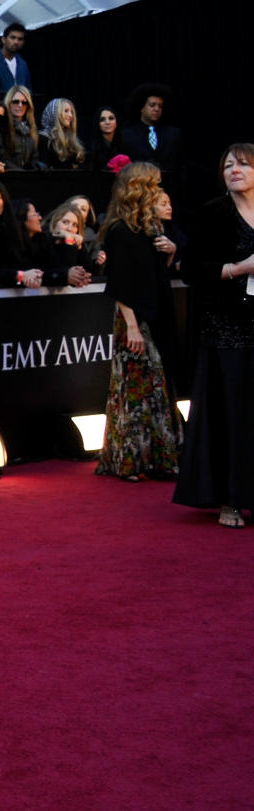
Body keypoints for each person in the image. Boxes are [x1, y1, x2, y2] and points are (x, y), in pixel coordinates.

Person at [174, 144, 254, 527]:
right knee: (232, 414)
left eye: (242, 164)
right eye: (227, 165)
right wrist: (239, 269)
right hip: (227, 328)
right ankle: (230, 499)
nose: (234, 170)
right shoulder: (213, 213)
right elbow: (191, 270)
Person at [94, 161, 181, 481]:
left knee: (158, 387)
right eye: (154, 184)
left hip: (157, 313)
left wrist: (171, 253)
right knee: (136, 389)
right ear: (139, 188)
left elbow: (156, 274)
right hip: (134, 318)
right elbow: (119, 282)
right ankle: (128, 460)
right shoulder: (121, 231)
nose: (159, 191)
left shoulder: (152, 228)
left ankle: (158, 458)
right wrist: (131, 324)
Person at [121, 84, 182, 175]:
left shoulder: (173, 134)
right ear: (142, 107)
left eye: (160, 106)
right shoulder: (127, 134)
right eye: (152, 105)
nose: (156, 109)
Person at [0, 85, 41, 170]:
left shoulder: (32, 127)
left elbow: (35, 156)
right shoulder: (1, 126)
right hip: (8, 175)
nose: (20, 105)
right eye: (15, 102)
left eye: (24, 102)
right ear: (9, 103)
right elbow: (1, 157)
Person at [38, 98, 86, 170]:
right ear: (55, 114)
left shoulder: (71, 139)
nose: (70, 115)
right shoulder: (43, 138)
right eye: (66, 111)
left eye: (72, 112)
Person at [0, 21, 30, 92]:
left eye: (20, 39)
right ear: (3, 39)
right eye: (12, 38)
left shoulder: (22, 64)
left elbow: (28, 88)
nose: (16, 42)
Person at [90, 105, 124, 173]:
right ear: (98, 124)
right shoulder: (91, 148)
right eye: (102, 119)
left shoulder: (125, 144)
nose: (107, 122)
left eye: (111, 118)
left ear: (116, 122)